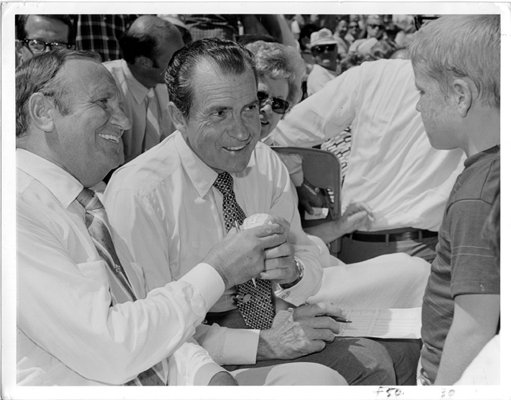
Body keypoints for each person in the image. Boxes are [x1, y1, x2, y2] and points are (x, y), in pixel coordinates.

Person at [16, 49, 347, 386]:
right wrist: (219, 271)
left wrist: (207, 375)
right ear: (43, 112)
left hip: (197, 360)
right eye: (103, 103)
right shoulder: (22, 210)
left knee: (360, 364)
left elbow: (147, 320)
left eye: (249, 107)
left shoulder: (83, 205)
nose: (126, 121)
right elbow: (118, 346)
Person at [104, 37, 421, 386]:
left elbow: (305, 255)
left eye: (250, 107)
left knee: (402, 352)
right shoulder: (139, 194)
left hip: (271, 321)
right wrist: (262, 344)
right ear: (179, 117)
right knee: (369, 364)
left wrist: (292, 274)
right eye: (220, 112)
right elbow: (156, 329)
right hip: (191, 363)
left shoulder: (266, 163)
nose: (243, 131)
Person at [272, 57, 465, 264]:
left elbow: (280, 133)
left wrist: (303, 186)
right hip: (429, 249)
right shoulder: (483, 82)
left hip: (359, 245)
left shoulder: (373, 74)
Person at [409, 14, 501, 385]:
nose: (418, 107)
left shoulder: (478, 196)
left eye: (422, 92)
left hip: (451, 372)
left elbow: (473, 328)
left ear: (460, 96)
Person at [103, 16, 183, 165]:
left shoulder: (168, 87)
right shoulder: (103, 87)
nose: (182, 64)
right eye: (174, 59)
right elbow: (106, 167)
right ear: (144, 62)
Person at [307, 28, 338, 95]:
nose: (326, 52)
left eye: (330, 47)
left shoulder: (338, 70)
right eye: (320, 49)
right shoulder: (318, 77)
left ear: (336, 49)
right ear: (313, 53)